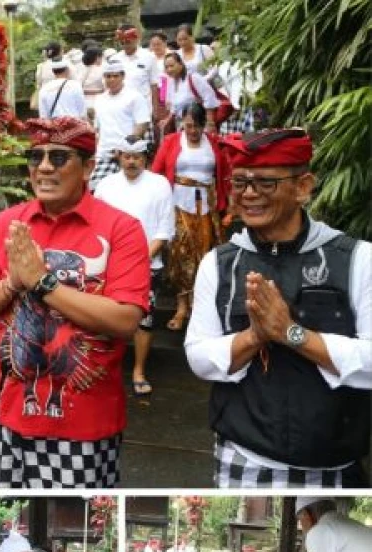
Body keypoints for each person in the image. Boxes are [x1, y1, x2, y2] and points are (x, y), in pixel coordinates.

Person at [0, 116, 150, 488]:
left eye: (60, 157)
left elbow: (126, 319)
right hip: (5, 415)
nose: (44, 166)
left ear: (89, 168)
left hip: (82, 427)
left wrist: (43, 283)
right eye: (36, 157)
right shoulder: (8, 224)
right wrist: (14, 282)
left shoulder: (121, 229)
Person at [184, 129, 372, 487]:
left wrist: (292, 333)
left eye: (265, 183)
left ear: (303, 187)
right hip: (244, 454)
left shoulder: (357, 259)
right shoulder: (220, 263)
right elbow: (199, 356)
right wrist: (255, 336)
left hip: (334, 460)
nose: (249, 194)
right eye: (240, 183)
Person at [95, 135, 174, 395]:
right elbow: (96, 226)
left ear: (145, 159)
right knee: (104, 315)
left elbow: (164, 232)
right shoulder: (106, 184)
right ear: (120, 157)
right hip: (108, 263)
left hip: (147, 263)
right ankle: (106, 366)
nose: (131, 162)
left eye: (137, 157)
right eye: (127, 157)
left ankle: (139, 369)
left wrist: (137, 260)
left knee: (145, 319)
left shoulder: (160, 184)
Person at [152, 102, 227, 332]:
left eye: (196, 126)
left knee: (204, 253)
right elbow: (156, 173)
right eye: (188, 126)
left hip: (206, 205)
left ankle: (199, 304)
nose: (192, 131)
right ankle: (182, 305)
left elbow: (225, 173)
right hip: (178, 204)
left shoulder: (213, 142)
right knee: (179, 254)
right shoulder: (171, 141)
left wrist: (228, 207)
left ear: (204, 125)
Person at [88, 59, 151, 191]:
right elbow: (97, 130)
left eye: (115, 76)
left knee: (130, 191)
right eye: (108, 76)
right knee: (98, 191)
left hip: (129, 155)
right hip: (104, 154)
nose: (112, 79)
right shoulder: (100, 100)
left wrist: (125, 147)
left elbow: (142, 124)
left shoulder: (134, 97)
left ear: (123, 76)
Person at [110, 23, 160, 120]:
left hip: (143, 110)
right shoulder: (114, 59)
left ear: (136, 39)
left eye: (128, 42)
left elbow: (154, 85)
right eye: (122, 42)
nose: (125, 45)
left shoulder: (149, 57)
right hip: (121, 110)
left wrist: (155, 110)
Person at [160, 52, 218, 134]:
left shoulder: (193, 78)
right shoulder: (171, 82)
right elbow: (175, 106)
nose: (169, 69)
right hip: (182, 125)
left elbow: (209, 97)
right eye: (166, 67)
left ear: (180, 64)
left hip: (198, 124)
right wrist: (167, 120)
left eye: (172, 66)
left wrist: (210, 123)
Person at [32, 41, 65, 109]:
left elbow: (38, 84)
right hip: (61, 97)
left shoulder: (41, 66)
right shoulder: (64, 65)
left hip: (45, 97)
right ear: (59, 52)